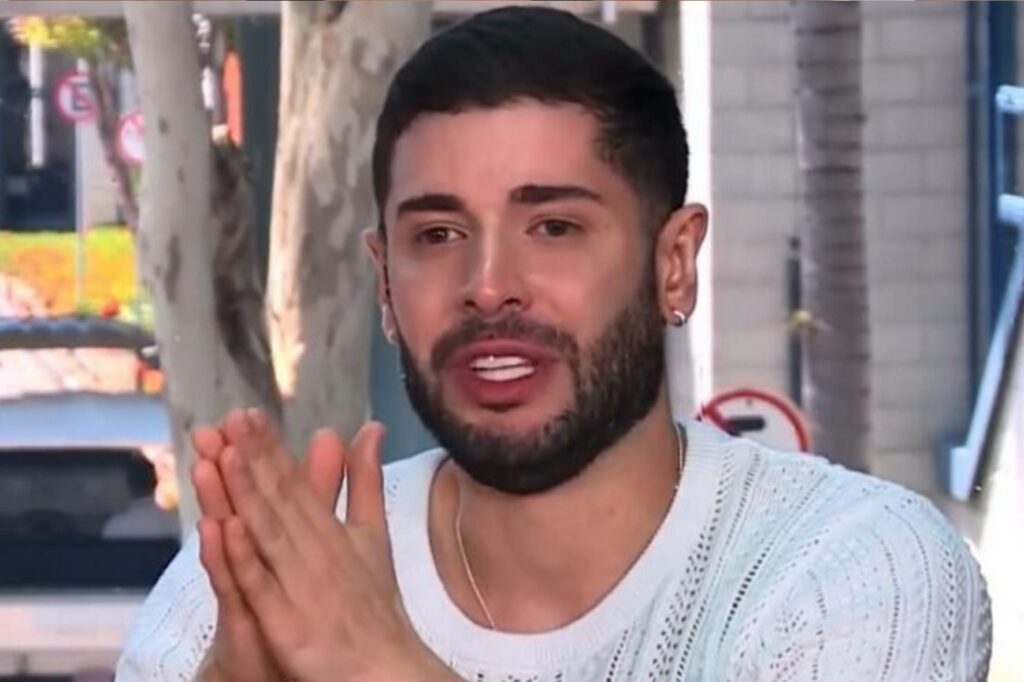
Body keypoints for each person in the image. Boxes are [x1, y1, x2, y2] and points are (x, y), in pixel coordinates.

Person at [116, 7, 991, 681]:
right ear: (384, 282)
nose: (489, 284)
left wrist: (380, 664)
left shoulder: (855, 567)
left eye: (555, 227)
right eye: (438, 235)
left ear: (673, 263)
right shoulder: (242, 593)